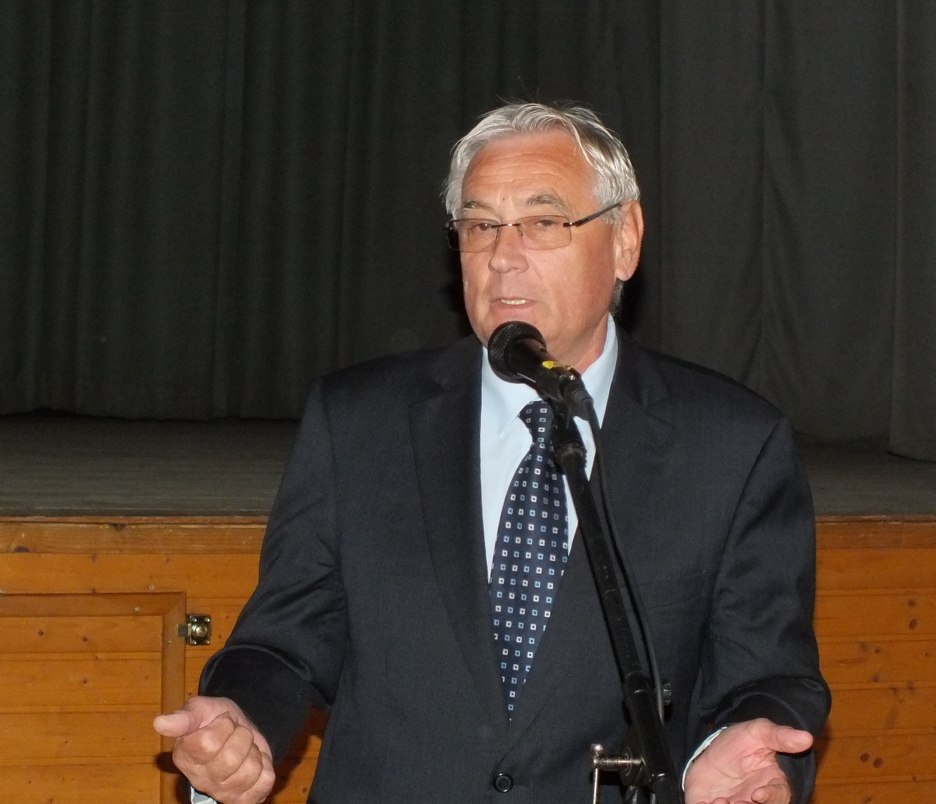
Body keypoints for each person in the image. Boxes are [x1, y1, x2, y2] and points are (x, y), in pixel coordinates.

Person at [155, 101, 830, 804]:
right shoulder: (359, 423)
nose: (503, 257)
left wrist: (738, 755)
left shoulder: (732, 445)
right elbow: (282, 644)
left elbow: (766, 678)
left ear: (625, 239)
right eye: (480, 226)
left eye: (543, 223)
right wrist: (241, 719)